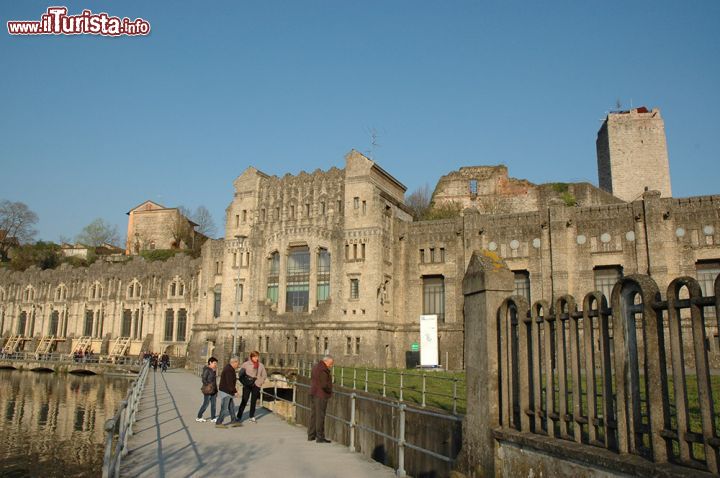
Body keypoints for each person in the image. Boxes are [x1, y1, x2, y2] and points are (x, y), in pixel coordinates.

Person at [308, 355, 334, 443]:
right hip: (321, 395)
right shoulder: (323, 370)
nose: (331, 365)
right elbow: (324, 385)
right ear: (326, 361)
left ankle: (311, 435)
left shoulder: (316, 367)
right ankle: (320, 437)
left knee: (314, 415)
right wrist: (330, 390)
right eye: (330, 363)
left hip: (314, 392)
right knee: (320, 416)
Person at [236, 351, 267, 423]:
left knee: (253, 401)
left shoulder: (261, 365)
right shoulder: (246, 364)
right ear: (251, 357)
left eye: (257, 356)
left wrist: (259, 382)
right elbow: (240, 374)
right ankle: (239, 416)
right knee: (244, 400)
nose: (256, 358)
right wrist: (244, 382)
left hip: (256, 385)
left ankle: (252, 416)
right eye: (255, 356)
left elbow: (264, 375)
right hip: (247, 385)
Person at [215, 356, 242, 428]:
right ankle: (219, 422)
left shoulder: (230, 368)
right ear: (234, 362)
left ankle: (234, 420)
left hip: (227, 391)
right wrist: (235, 391)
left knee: (231, 407)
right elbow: (229, 383)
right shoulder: (229, 370)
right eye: (237, 363)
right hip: (226, 391)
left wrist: (233, 391)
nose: (238, 365)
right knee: (224, 408)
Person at [197, 357, 218, 422]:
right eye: (214, 363)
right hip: (208, 390)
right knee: (206, 404)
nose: (215, 365)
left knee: (213, 404)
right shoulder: (207, 370)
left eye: (216, 363)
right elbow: (203, 379)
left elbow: (214, 381)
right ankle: (199, 417)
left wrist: (216, 390)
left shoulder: (213, 370)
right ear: (210, 362)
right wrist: (209, 386)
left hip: (213, 390)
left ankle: (213, 418)